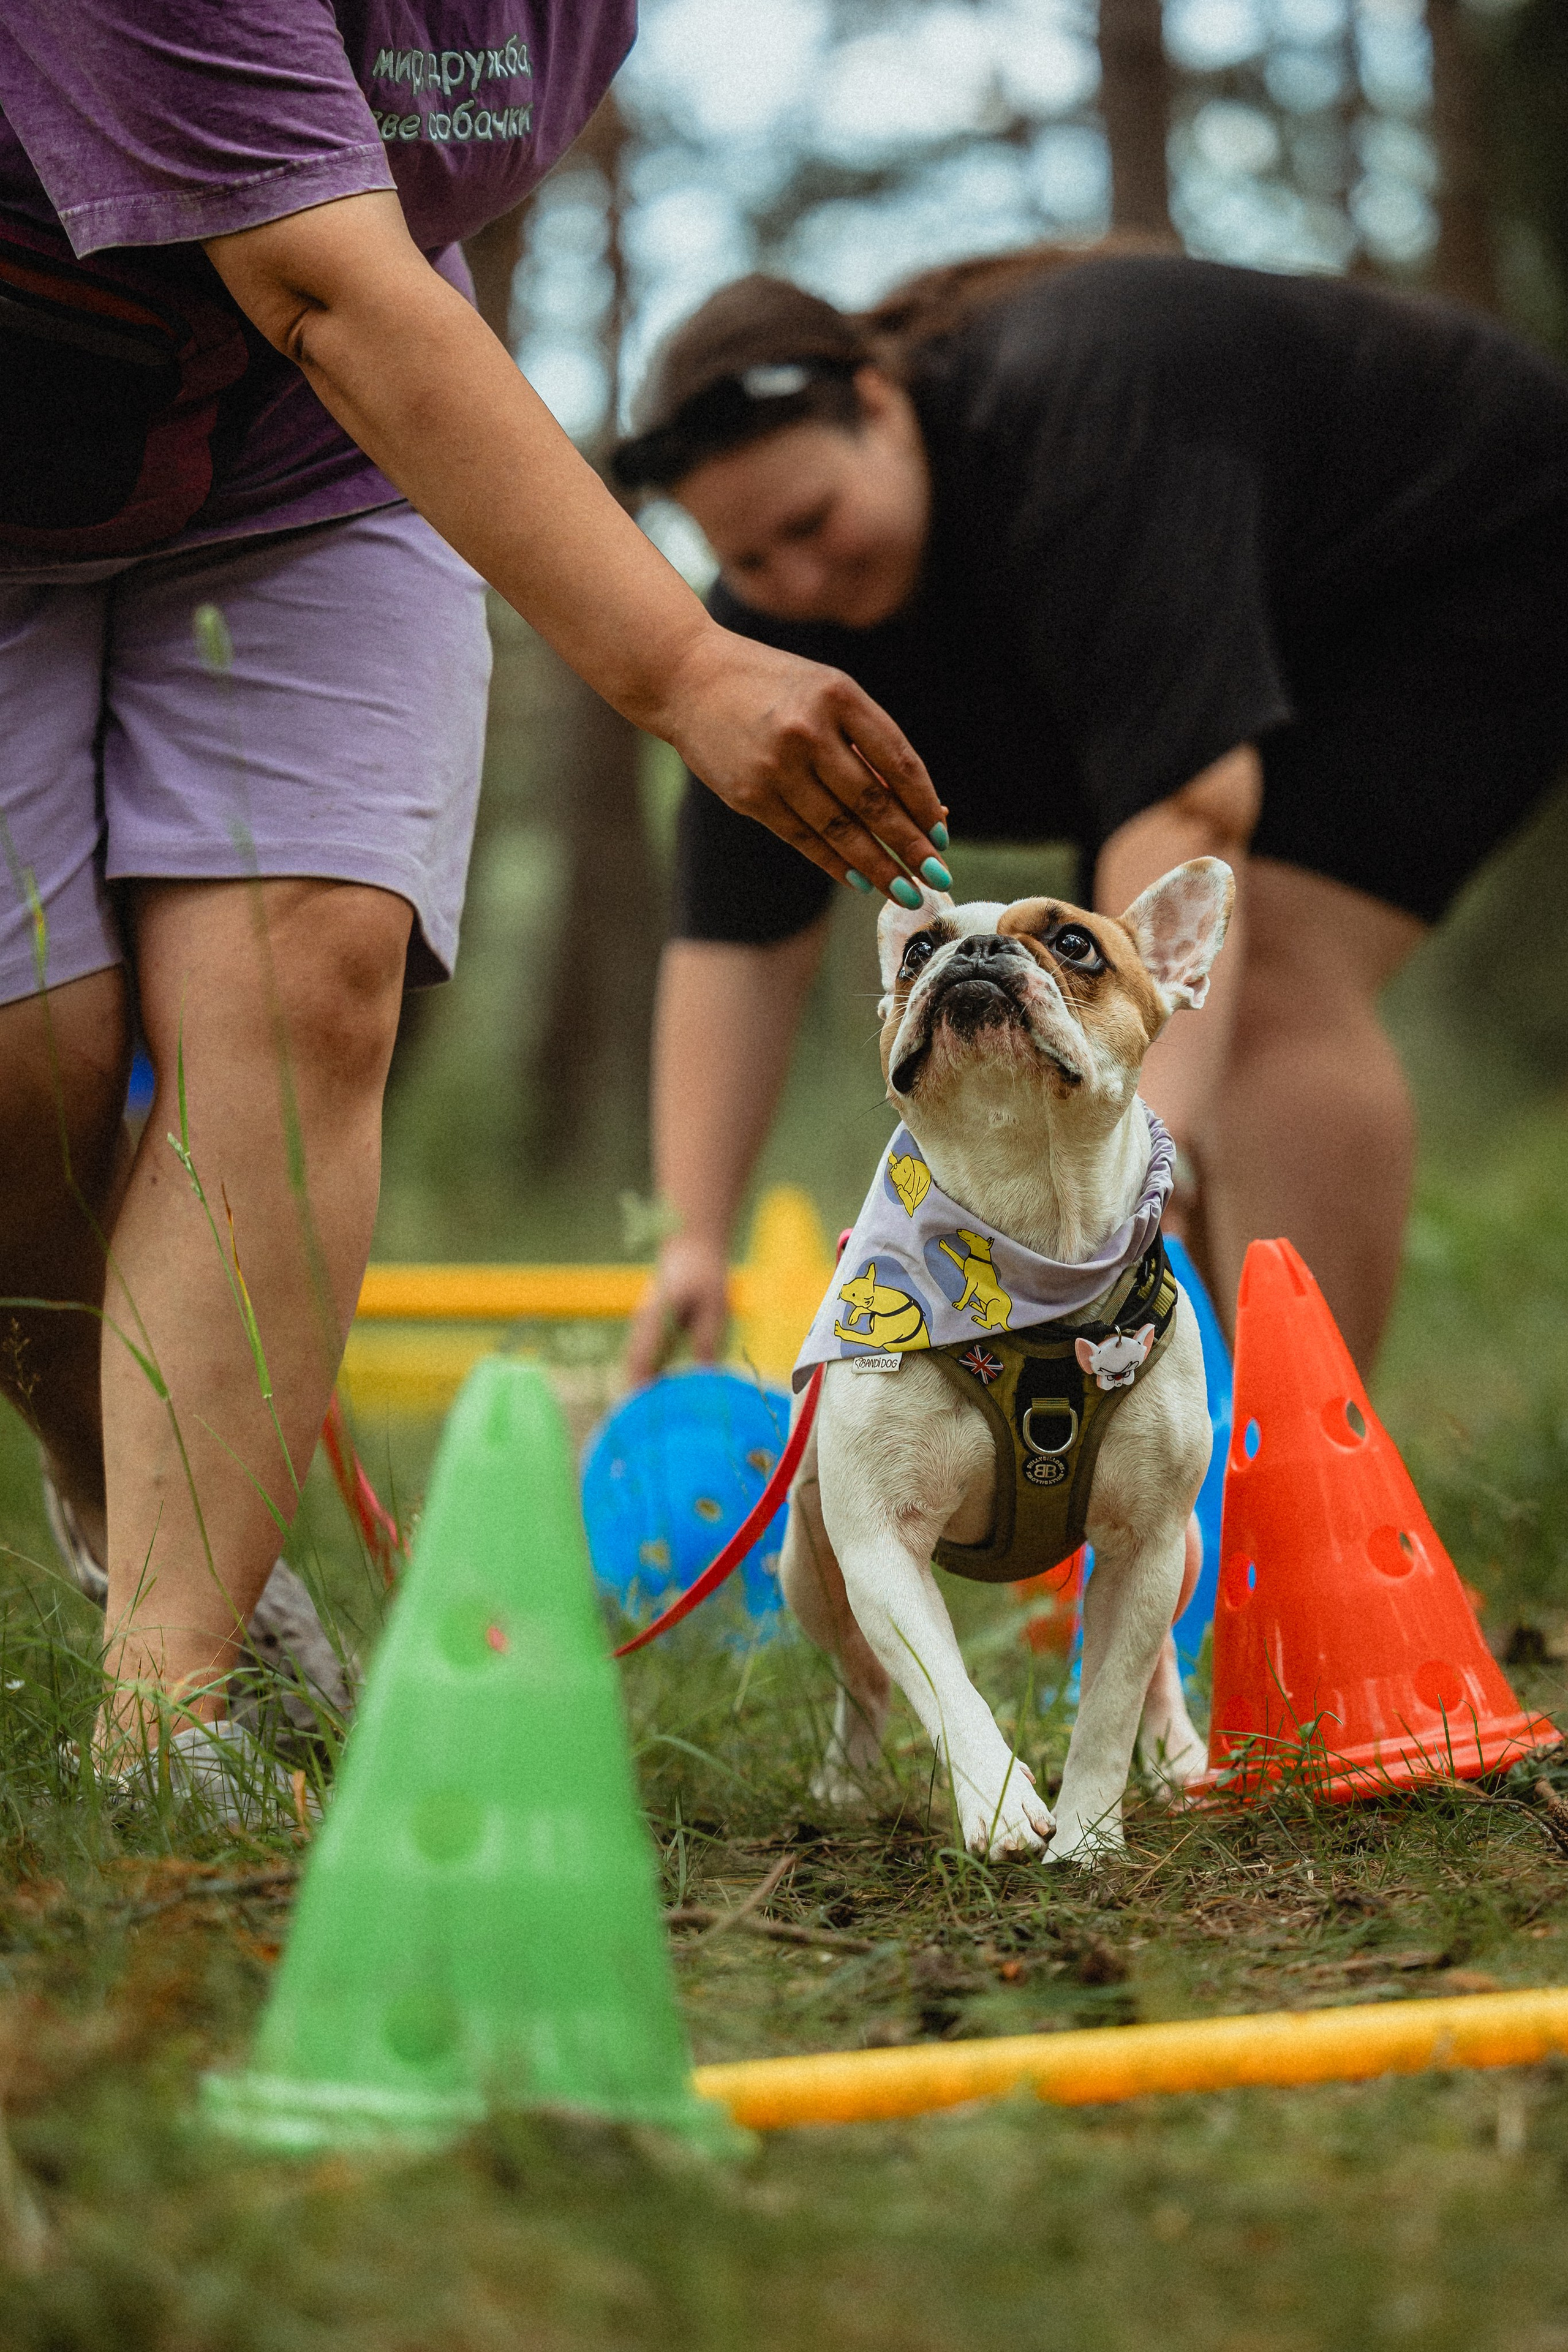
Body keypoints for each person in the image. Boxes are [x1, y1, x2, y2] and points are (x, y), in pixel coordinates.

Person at [0, 1, 947, 1783]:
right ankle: (108, 1458)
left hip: (301, 461)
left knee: (313, 980)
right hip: (112, 385)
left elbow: (369, 274)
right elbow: (328, 281)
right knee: (25, 1086)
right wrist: (684, 663)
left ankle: (173, 1704)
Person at [615, 246, 1568, 1387]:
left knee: (1255, 988)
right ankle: (1184, 1478)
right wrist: (692, 1241)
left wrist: (1129, 1162)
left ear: (878, 400)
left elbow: (1187, 812)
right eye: (748, 559)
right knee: (1170, 1069)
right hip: (1264, 633)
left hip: (1471, 554)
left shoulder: (1083, 413)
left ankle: (1294, 1477)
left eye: (814, 522)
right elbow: (737, 935)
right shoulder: (776, 636)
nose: (798, 581)